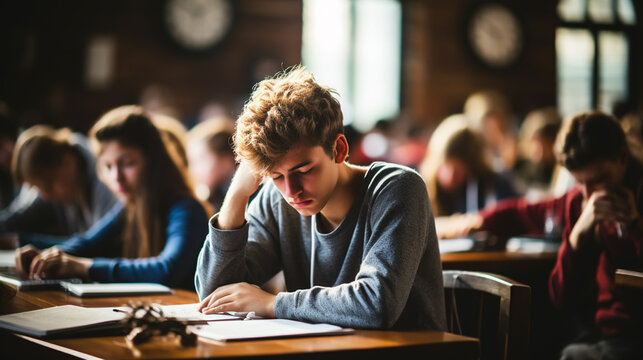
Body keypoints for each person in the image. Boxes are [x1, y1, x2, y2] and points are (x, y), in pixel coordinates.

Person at [195, 66, 446, 330]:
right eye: (275, 175)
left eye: (304, 171)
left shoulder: (398, 188)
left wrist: (272, 304)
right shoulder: (275, 198)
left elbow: (377, 304)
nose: (291, 191)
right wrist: (238, 194)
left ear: (338, 149)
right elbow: (215, 294)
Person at [436, 111, 643, 359]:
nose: (589, 195)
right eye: (580, 183)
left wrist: (634, 226)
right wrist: (577, 237)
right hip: (599, 331)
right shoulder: (579, 202)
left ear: (622, 157)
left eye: (599, 180)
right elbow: (522, 214)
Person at [14, 105, 209, 289]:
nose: (116, 177)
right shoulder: (130, 208)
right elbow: (88, 243)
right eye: (108, 166)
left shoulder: (186, 208)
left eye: (127, 163)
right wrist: (47, 256)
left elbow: (167, 269)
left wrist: (84, 267)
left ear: (154, 163)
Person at [0, 125, 117, 248]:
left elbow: (94, 246)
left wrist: (19, 242)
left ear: (68, 161)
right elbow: (19, 218)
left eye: (48, 187)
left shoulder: (106, 183)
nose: (45, 197)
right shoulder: (62, 174)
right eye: (39, 190)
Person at [419, 114, 516, 216]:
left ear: (473, 167)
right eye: (445, 166)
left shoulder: (494, 186)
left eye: (457, 170)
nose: (450, 176)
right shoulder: (423, 188)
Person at [186, 117, 236, 212]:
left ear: (226, 161)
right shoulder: (212, 197)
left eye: (201, 160)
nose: (193, 169)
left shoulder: (248, 196)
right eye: (191, 162)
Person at [512, 107, 562, 199]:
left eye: (545, 144)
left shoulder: (562, 172)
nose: (540, 150)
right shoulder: (522, 171)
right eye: (535, 142)